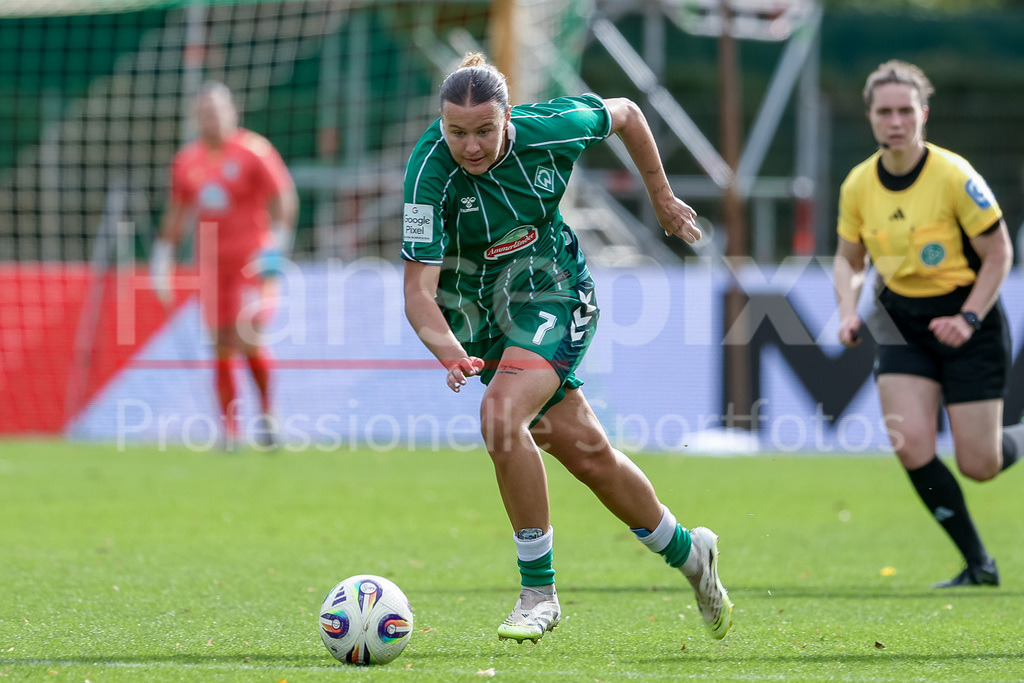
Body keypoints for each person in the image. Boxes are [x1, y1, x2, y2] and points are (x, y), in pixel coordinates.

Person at [401, 53, 732, 643]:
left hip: (555, 292)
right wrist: (449, 350)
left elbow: (627, 113)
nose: (470, 146)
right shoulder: (428, 176)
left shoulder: (554, 126)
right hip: (481, 321)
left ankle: (538, 593)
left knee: (501, 417)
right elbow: (417, 293)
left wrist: (661, 195)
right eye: (456, 132)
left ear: (509, 120)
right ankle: (690, 553)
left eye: (484, 131)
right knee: (588, 457)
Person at [834, 60, 1024, 587]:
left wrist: (967, 317)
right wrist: (849, 311)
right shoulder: (858, 185)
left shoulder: (955, 177)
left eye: (905, 110)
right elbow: (849, 261)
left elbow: (998, 253)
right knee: (910, 444)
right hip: (900, 322)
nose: (895, 121)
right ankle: (979, 564)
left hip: (969, 321)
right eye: (884, 111)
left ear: (923, 113)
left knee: (979, 464)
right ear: (871, 117)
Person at [151, 81, 297, 450]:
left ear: (231, 112)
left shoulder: (254, 151)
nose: (209, 119)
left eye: (215, 111)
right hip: (212, 267)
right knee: (219, 345)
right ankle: (230, 432)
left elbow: (284, 198)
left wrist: (277, 248)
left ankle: (267, 416)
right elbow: (178, 212)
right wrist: (162, 258)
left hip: (252, 262)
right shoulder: (188, 161)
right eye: (203, 113)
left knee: (248, 337)